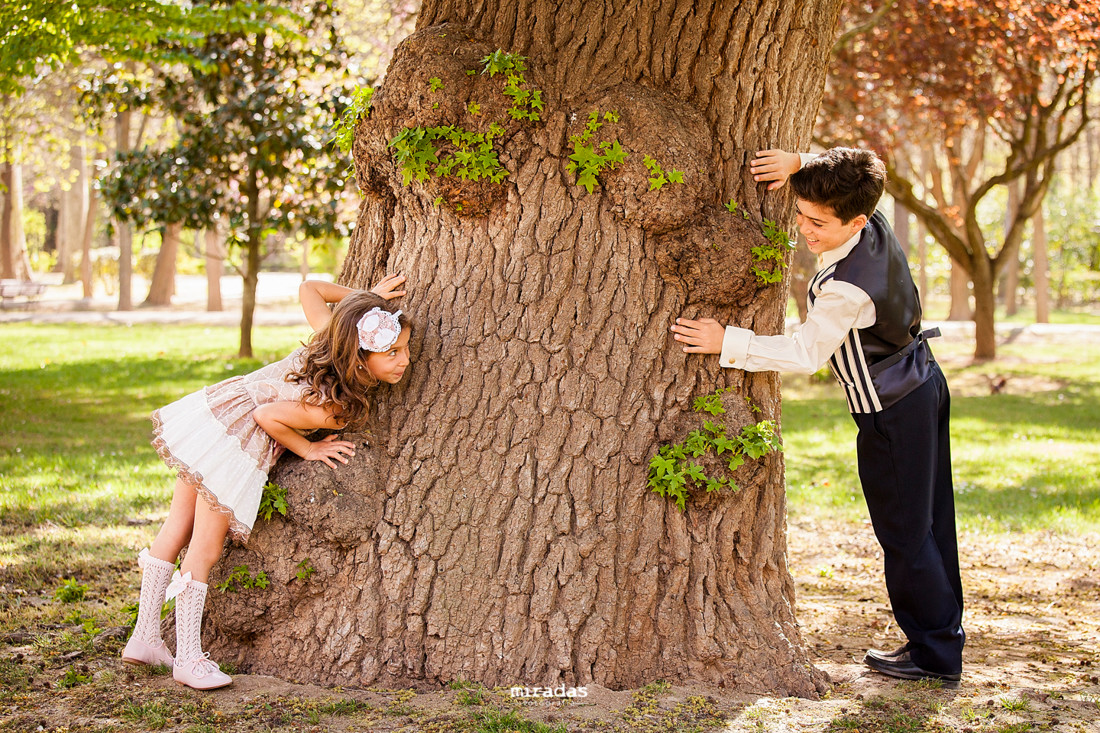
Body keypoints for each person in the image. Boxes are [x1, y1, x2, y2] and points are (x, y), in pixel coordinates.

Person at [670, 147, 964, 684]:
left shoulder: (847, 288)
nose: (803, 228)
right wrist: (799, 163)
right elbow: (866, 161)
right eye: (800, 214)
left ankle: (935, 655)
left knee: (906, 533)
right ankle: (940, 644)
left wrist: (725, 341)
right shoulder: (868, 212)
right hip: (924, 385)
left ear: (854, 221)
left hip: (893, 411)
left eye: (817, 222)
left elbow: (806, 353)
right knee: (928, 524)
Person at [121, 274, 411, 690]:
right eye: (393, 352)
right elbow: (267, 417)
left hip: (216, 421)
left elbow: (310, 288)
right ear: (361, 355)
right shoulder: (334, 407)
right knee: (205, 546)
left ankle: (145, 637)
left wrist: (362, 306)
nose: (404, 360)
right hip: (234, 443)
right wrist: (308, 450)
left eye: (404, 350)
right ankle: (187, 658)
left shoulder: (330, 336)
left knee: (175, 529)